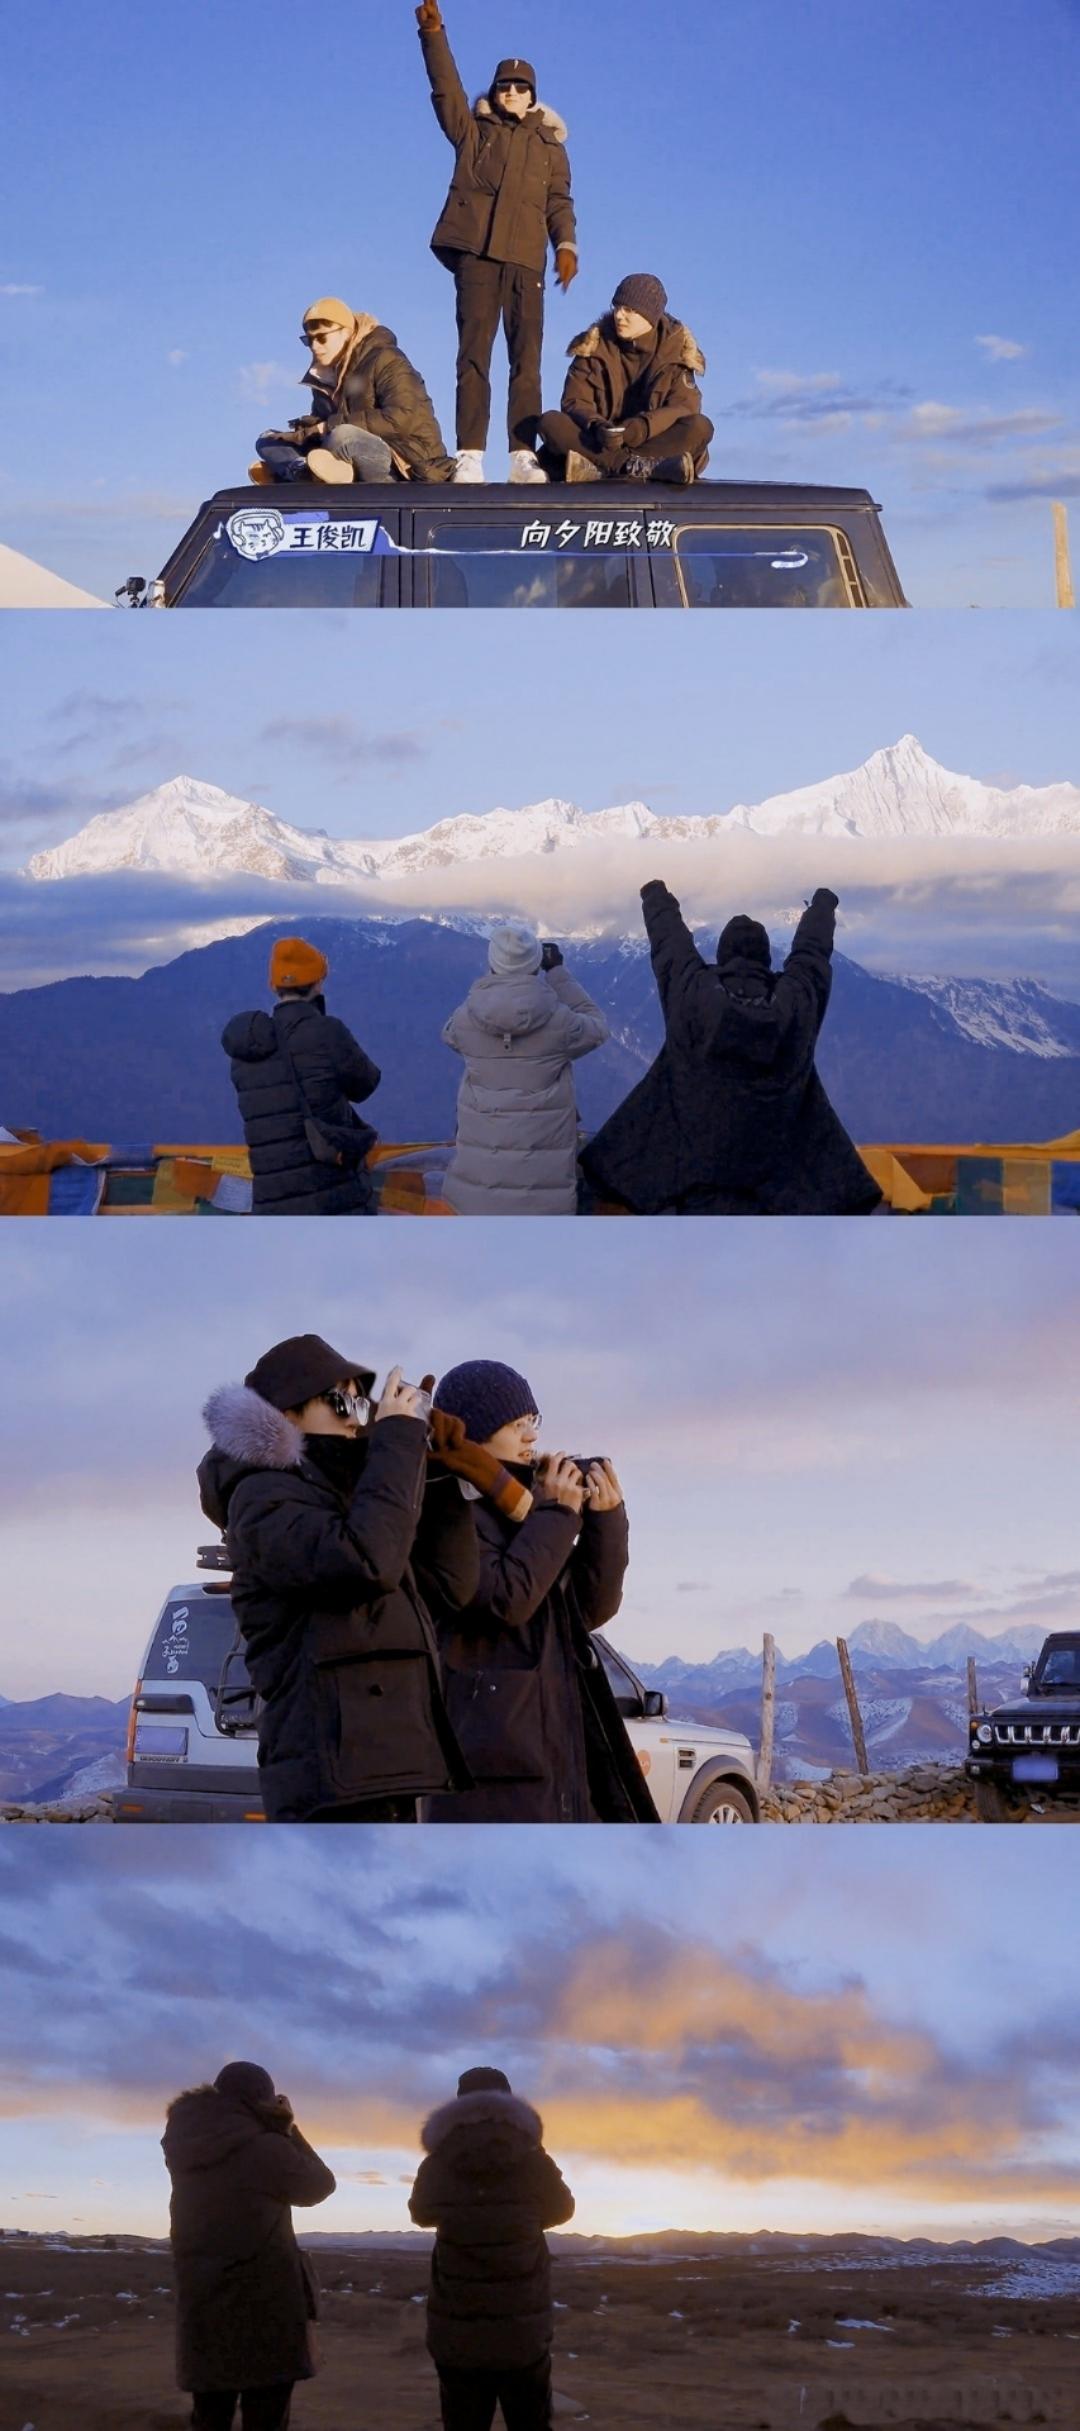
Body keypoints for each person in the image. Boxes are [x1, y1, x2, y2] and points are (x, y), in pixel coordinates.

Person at [197, 1332, 478, 1820]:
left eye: (359, 1399)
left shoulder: (348, 1498)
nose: (356, 1412)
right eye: (340, 1399)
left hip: (380, 1766)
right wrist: (395, 1444)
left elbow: (451, 1585)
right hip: (327, 1775)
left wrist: (433, 1471)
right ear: (285, 1415)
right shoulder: (261, 1500)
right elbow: (366, 1564)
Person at [422, 1360, 659, 1823]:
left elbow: (589, 1609)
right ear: (476, 1431)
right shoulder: (446, 1504)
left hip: (559, 1754)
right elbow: (502, 1598)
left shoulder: (528, 1505)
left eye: (534, 1421)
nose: (531, 1436)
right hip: (492, 1769)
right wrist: (556, 1517)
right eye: (516, 1424)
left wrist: (604, 1521)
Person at [581, 882, 883, 1216]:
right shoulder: (796, 1003)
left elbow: (670, 943)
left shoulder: (693, 994)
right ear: (766, 959)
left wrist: (655, 896)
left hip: (691, 1186)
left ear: (722, 955)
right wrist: (822, 907)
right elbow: (811, 955)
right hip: (782, 1192)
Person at [416, 0, 578, 484]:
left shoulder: (551, 148)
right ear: (496, 91)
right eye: (504, 85)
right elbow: (446, 91)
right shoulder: (473, 133)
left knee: (526, 360)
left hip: (527, 263)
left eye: (521, 87)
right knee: (474, 357)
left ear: (533, 97)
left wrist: (566, 245)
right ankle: (469, 453)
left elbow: (559, 202)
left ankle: (522, 455)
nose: (511, 92)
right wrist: (434, 36)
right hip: (478, 259)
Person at [162, 2059, 336, 2431]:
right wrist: (287, 2128)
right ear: (262, 2101)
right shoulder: (265, 2148)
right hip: (265, 2308)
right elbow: (320, 2184)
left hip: (203, 2304)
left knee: (210, 2416)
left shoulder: (187, 2145)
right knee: (266, 2417)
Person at [409, 2064, 575, 2431]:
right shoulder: (534, 2162)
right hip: (523, 2332)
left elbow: (421, 2214)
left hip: (456, 2331)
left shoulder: (437, 2164)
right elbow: (563, 2210)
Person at [442, 925, 608, 1215]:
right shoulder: (561, 1023)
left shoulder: (464, 1020)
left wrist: (487, 989)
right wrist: (557, 973)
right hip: (546, 1200)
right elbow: (597, 1027)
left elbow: (448, 1034)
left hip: (473, 1197)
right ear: (535, 965)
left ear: (492, 964)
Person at [223, 936, 381, 1217]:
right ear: (319, 983)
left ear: (274, 986)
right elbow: (365, 1085)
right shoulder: (326, 1032)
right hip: (332, 1196)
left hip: (270, 1202)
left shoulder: (246, 1050)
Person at [250, 296, 454, 486]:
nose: (314, 346)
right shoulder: (323, 376)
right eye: (308, 340)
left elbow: (401, 419)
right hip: (340, 451)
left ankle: (293, 476)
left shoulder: (386, 359)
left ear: (346, 332)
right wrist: (304, 433)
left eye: (321, 338)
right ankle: (302, 471)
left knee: (344, 435)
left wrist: (325, 427)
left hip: (403, 462)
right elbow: (324, 425)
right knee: (267, 440)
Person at [537, 273, 713, 485]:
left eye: (629, 310)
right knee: (550, 422)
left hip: (651, 442)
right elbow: (574, 402)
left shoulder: (677, 351)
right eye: (617, 307)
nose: (619, 315)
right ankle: (634, 468)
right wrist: (597, 426)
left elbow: (684, 407)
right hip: (601, 443)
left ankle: (606, 468)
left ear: (650, 316)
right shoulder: (593, 345)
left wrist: (641, 428)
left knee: (700, 427)